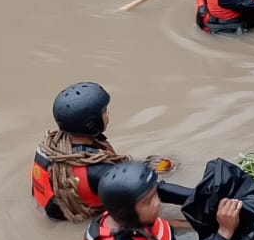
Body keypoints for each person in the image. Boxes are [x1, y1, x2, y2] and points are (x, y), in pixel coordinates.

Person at [31, 82, 194, 222]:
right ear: (91, 123)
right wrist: (198, 196)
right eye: (104, 111)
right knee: (173, 222)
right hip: (80, 216)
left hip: (47, 205)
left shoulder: (49, 147)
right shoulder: (97, 170)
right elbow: (154, 189)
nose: (107, 114)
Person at [81, 161, 243, 240]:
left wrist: (209, 201)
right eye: (148, 201)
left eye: (154, 195)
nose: (158, 202)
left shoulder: (122, 210)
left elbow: (161, 190)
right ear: (127, 211)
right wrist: (224, 232)